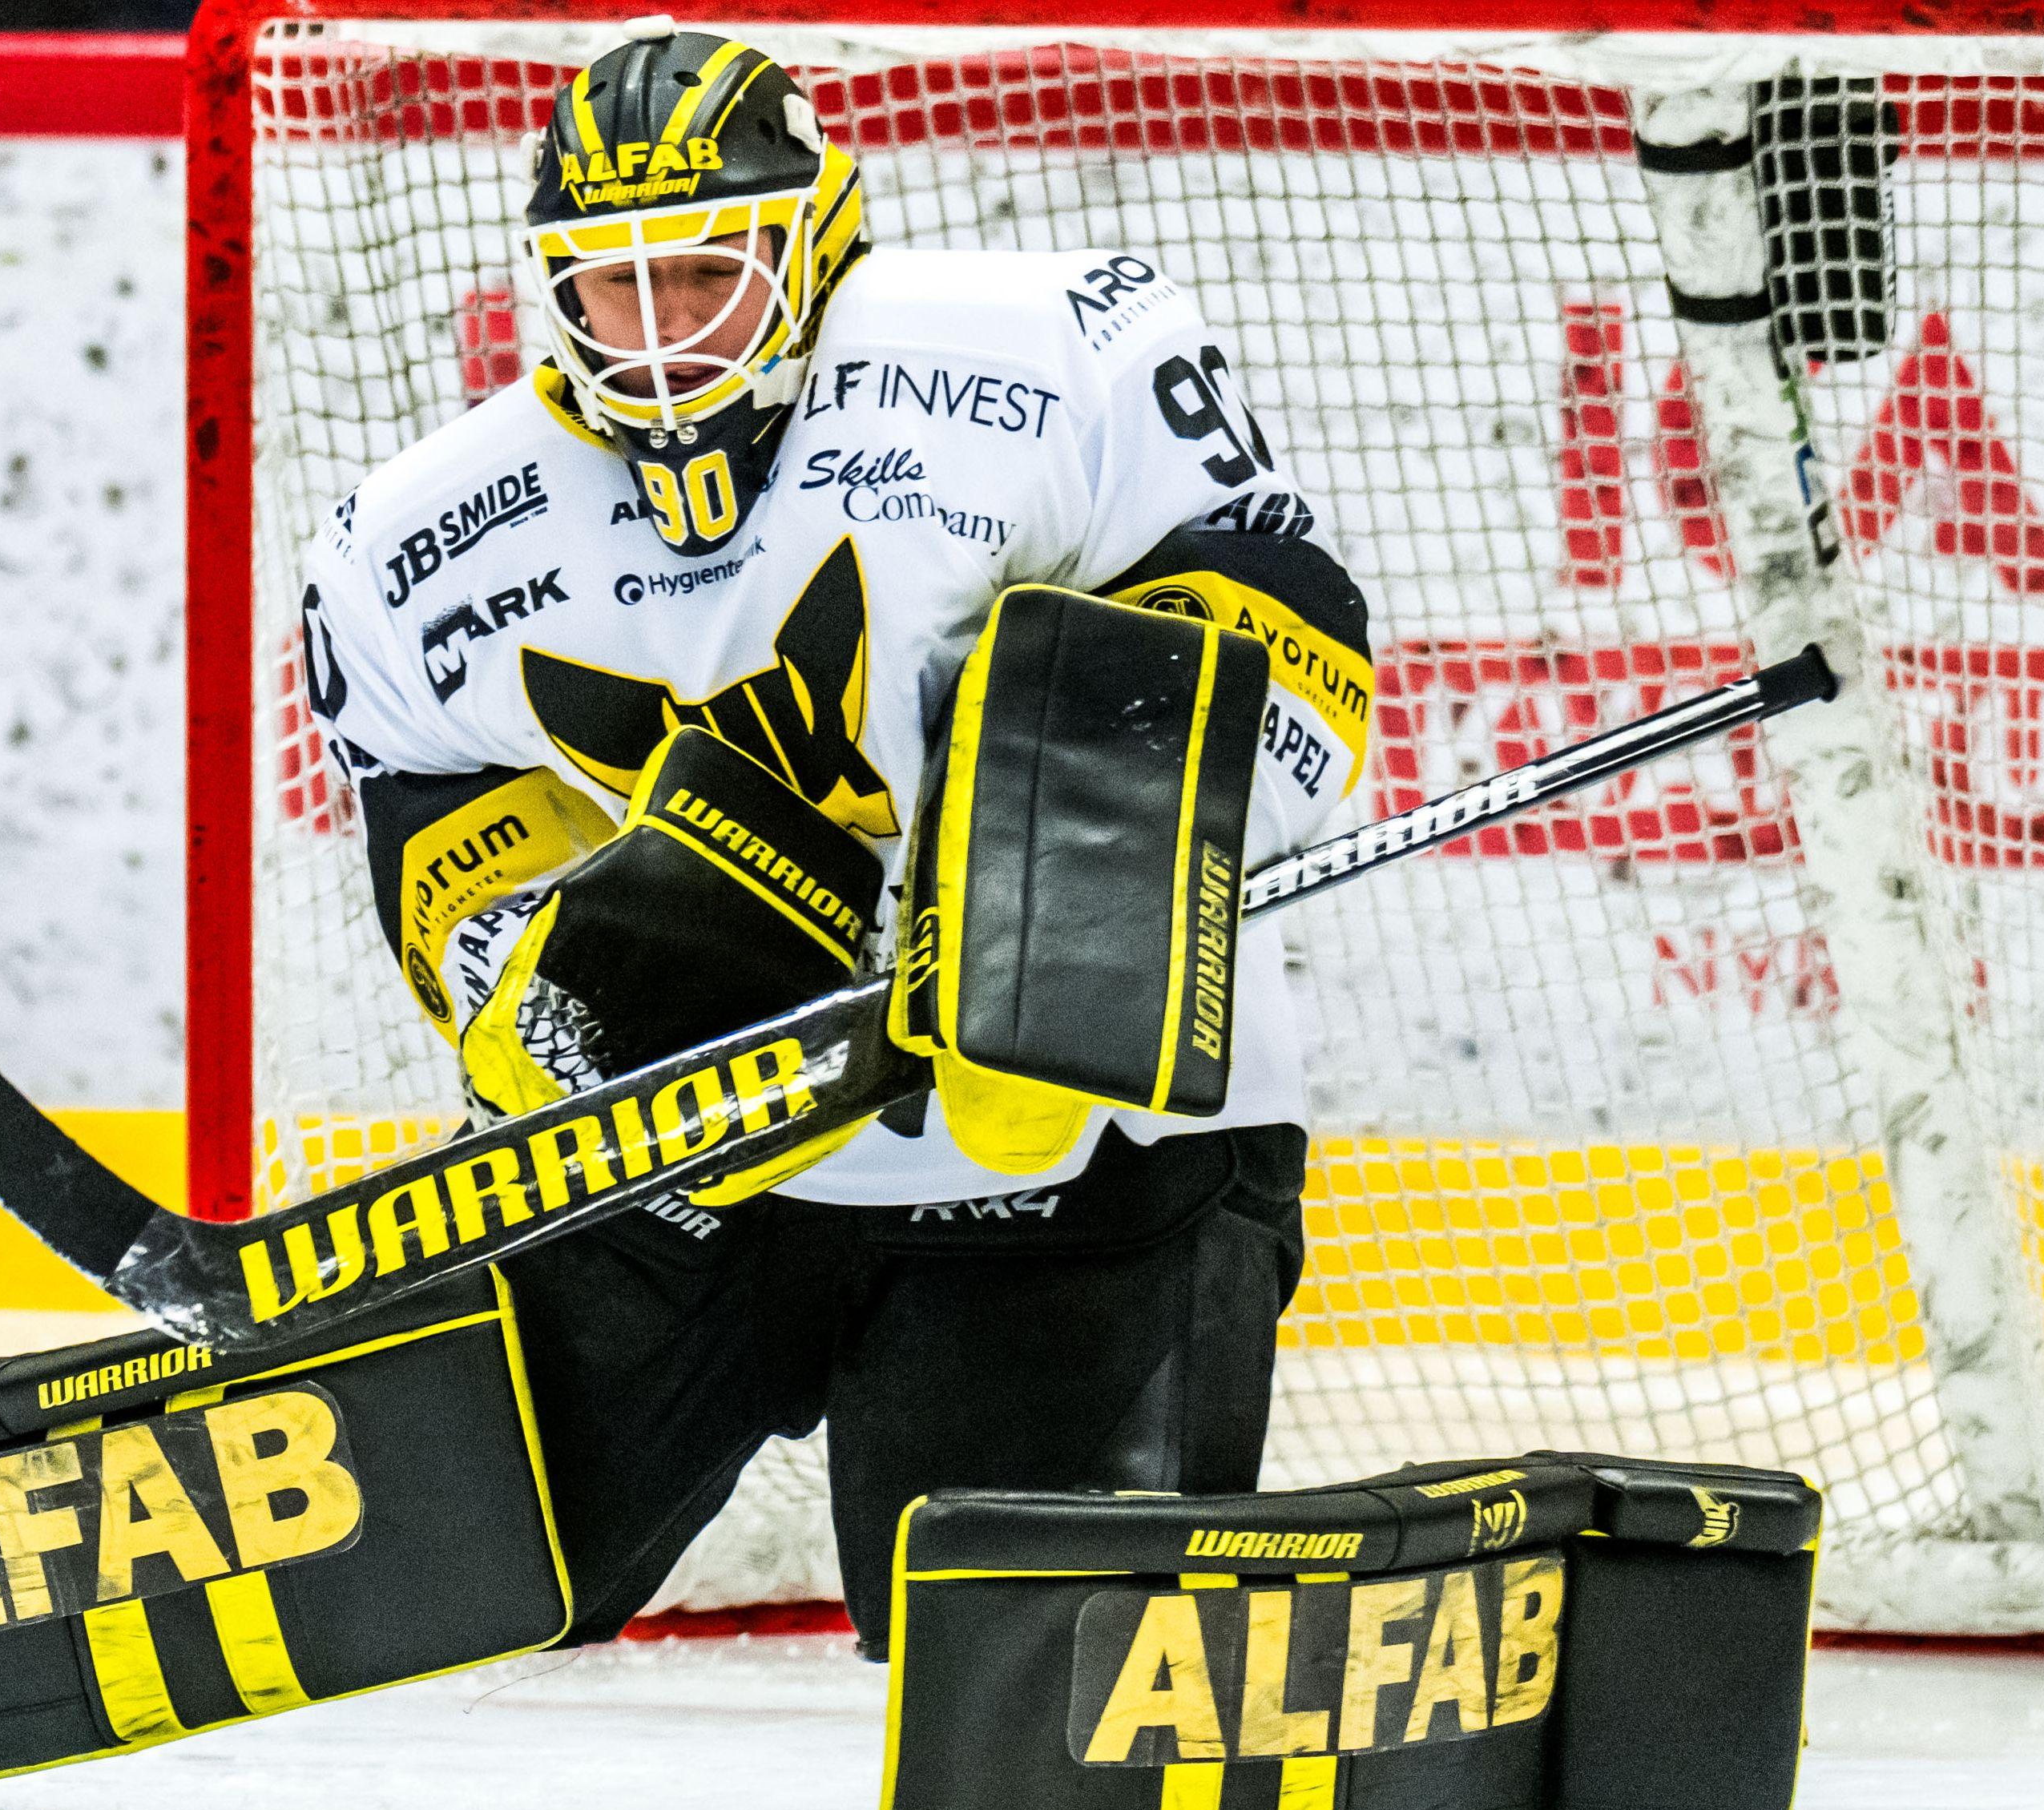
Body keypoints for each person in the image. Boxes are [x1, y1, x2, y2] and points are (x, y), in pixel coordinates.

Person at [294, 20, 1378, 1657]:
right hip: (698, 1169)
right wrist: (557, 1003)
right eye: (609, 284)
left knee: (1013, 1659)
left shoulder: (1043, 354)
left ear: (810, 241)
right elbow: (435, 840)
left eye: (701, 274)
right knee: (438, 1584)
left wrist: (1063, 906)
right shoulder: (417, 536)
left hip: (1080, 1169)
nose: (651, 333)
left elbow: (1297, 655)